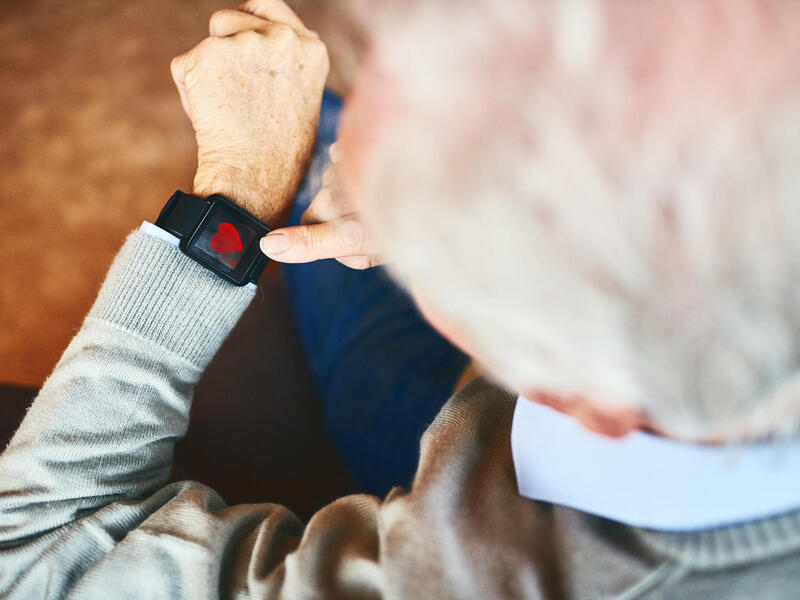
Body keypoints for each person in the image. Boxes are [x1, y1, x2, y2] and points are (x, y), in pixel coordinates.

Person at [3, 0, 800, 598]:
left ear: (564, 381)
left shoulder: (475, 576)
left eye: (432, 257)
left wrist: (238, 192)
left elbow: (38, 551)